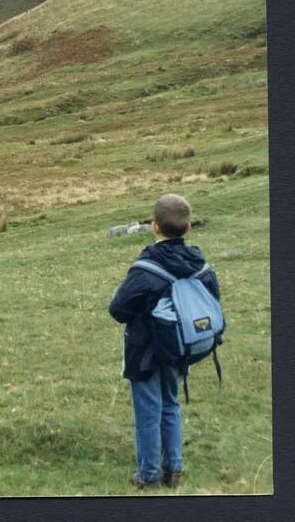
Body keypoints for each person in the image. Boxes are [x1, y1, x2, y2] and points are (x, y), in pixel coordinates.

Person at [108, 193, 220, 490]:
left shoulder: (146, 269)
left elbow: (117, 310)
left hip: (144, 352)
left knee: (148, 411)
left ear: (154, 227)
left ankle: (148, 475)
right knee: (170, 403)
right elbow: (213, 299)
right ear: (189, 227)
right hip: (179, 350)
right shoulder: (200, 265)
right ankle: (174, 470)